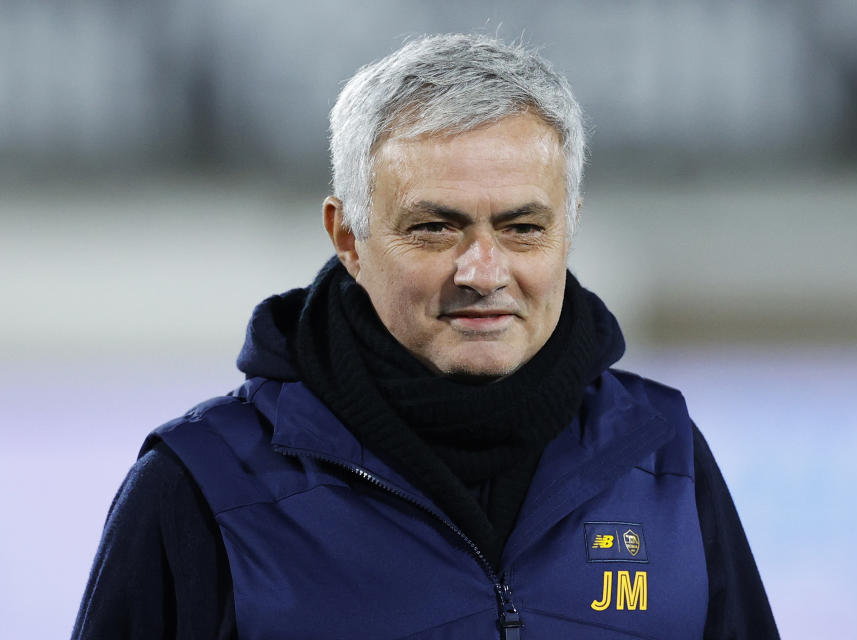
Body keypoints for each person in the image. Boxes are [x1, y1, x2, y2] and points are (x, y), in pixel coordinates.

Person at [73, 33, 778, 639]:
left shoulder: (663, 459)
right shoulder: (204, 485)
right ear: (348, 238)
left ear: (569, 228)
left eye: (522, 228)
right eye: (435, 228)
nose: (482, 271)